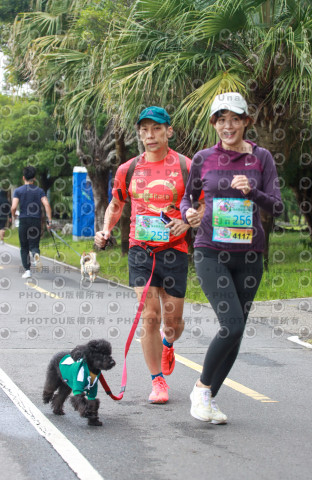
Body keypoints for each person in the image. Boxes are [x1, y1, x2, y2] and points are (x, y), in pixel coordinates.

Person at [180, 92, 284, 424]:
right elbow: (186, 199)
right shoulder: (202, 158)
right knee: (232, 323)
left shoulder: (262, 158)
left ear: (246, 122)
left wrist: (251, 192)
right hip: (210, 250)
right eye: (221, 119)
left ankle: (207, 397)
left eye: (235, 119)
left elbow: (277, 206)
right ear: (214, 123)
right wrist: (188, 214)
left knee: (236, 332)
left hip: (250, 254)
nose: (228, 126)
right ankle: (201, 389)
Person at [95, 106, 204, 404]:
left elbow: (203, 204)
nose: (149, 135)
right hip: (140, 249)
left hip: (175, 250)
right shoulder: (128, 169)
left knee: (172, 322)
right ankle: (157, 381)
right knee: (150, 316)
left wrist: (189, 219)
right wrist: (105, 229)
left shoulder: (186, 166)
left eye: (156, 128)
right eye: (144, 129)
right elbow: (116, 204)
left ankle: (169, 342)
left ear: (169, 131)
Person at [11, 166, 52, 279]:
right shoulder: (39, 191)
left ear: (23, 177)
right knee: (34, 245)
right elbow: (47, 205)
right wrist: (49, 220)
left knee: (24, 246)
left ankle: (28, 270)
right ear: (34, 178)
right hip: (35, 220)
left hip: (23, 220)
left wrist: (14, 216)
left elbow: (14, 207)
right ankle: (36, 254)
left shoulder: (18, 191)